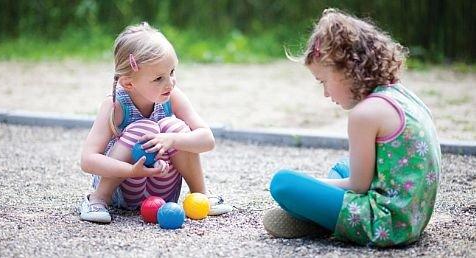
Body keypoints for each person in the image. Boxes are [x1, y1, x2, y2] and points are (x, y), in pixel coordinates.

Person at [263, 9, 441, 247]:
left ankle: (319, 219)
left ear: (346, 68)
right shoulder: (400, 94)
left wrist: (310, 183)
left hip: (385, 224)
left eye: (323, 81)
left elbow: (358, 185)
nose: (325, 93)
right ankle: (320, 215)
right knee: (340, 167)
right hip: (412, 215)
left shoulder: (364, 114)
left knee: (283, 182)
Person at [79, 22, 232, 223]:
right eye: (159, 78)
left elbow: (207, 140)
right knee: (145, 127)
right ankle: (98, 199)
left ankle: (201, 195)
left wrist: (172, 140)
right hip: (123, 189)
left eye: (172, 72)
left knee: (175, 128)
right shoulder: (116, 106)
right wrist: (131, 171)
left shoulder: (172, 96)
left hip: (162, 187)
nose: (170, 83)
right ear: (128, 83)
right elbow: (88, 160)